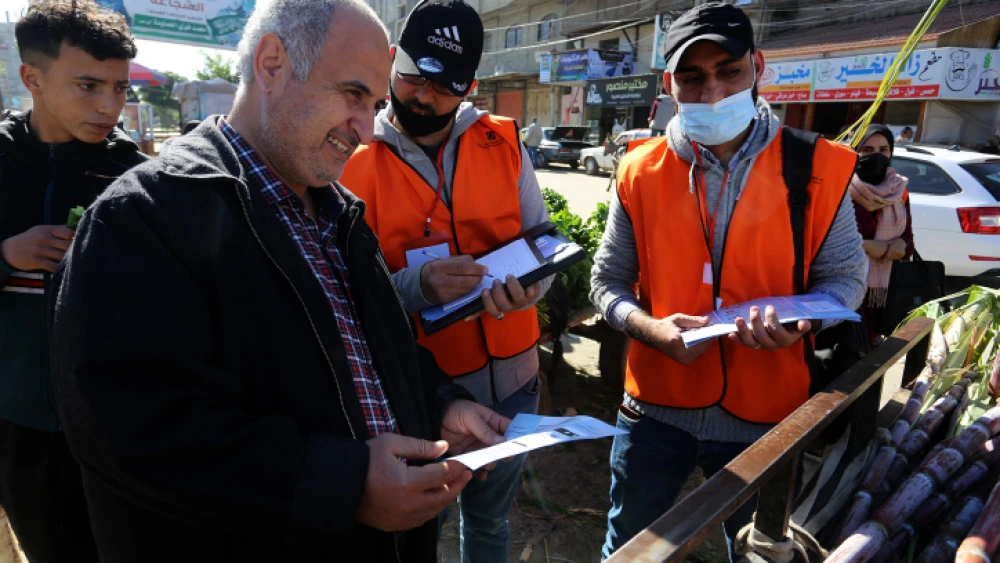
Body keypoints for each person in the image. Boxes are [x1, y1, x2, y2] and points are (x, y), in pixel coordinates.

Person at [49, 1, 510, 561]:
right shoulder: (141, 217)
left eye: (375, 105)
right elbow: (133, 430)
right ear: (271, 64)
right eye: (352, 96)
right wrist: (344, 485)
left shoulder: (341, 214)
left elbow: (376, 350)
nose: (366, 131)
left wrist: (439, 404)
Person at [589, 3, 867, 559]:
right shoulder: (638, 170)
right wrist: (647, 328)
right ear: (670, 83)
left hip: (767, 415)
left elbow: (845, 280)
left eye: (729, 71)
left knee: (760, 553)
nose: (712, 91)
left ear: (758, 66)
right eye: (692, 77)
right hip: (654, 412)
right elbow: (606, 283)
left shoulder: (817, 166)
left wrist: (804, 322)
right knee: (630, 549)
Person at [340, 1, 552, 561]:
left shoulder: (504, 140)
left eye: (445, 86)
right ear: (391, 60)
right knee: (412, 532)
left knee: (488, 524)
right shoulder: (351, 151)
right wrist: (417, 286)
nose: (425, 97)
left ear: (471, 85)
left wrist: (534, 285)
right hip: (413, 392)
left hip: (513, 383)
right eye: (413, 77)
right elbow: (337, 284)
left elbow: (543, 238)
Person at [0, 3, 147, 562]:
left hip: (118, 424)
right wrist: (6, 255)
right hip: (21, 425)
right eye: (88, 86)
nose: (109, 106)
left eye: (119, 88)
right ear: (31, 78)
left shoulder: (136, 173)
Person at [850, 125, 914, 342]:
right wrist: (865, 246)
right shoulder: (838, 187)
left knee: (873, 354)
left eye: (883, 149)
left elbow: (908, 239)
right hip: (844, 290)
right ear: (854, 150)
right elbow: (821, 239)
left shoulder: (899, 190)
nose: (876, 156)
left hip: (883, 294)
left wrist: (901, 246)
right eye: (867, 149)